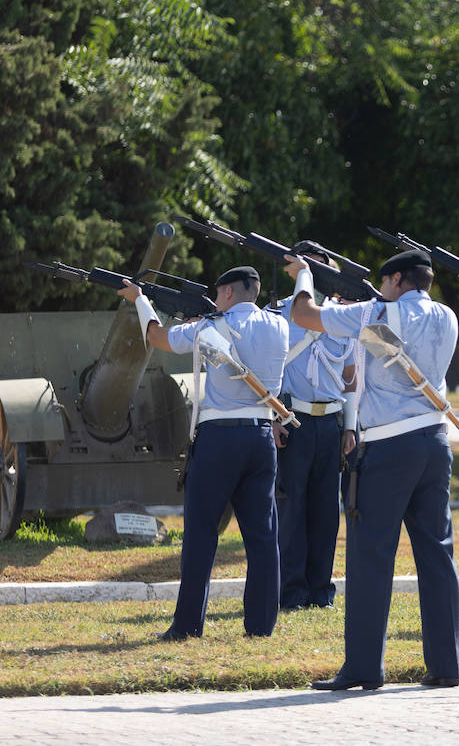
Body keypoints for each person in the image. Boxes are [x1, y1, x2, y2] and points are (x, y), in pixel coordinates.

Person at [285, 248, 459, 690]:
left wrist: (305, 274)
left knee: (370, 558)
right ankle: (445, 665)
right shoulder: (447, 315)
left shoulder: (376, 312)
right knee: (438, 556)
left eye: (385, 282)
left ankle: (364, 667)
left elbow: (303, 314)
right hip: (434, 440)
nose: (381, 288)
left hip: (387, 447)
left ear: (397, 280)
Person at [118, 265, 289, 640]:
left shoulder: (207, 328)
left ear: (227, 293)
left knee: (200, 535)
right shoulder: (279, 325)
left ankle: (188, 625)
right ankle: (261, 625)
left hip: (219, 438)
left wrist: (141, 301)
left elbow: (157, 338)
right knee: (262, 536)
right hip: (261, 436)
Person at [270, 240, 358, 611]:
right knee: (291, 510)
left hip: (330, 424)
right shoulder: (276, 314)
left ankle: (321, 590)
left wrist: (350, 427)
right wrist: (272, 418)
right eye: (312, 269)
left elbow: (351, 378)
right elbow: (263, 373)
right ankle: (291, 592)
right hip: (293, 420)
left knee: (325, 513)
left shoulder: (343, 317)